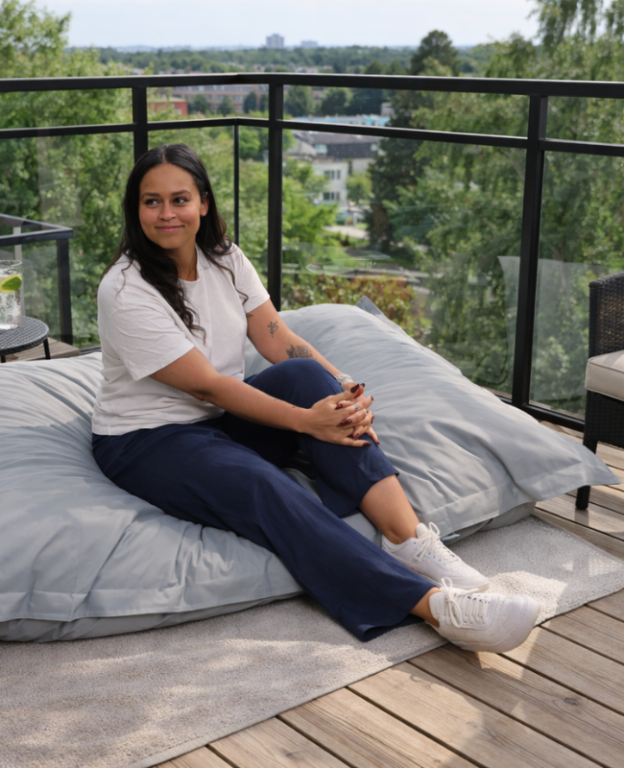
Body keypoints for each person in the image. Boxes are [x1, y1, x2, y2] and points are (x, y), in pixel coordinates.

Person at [92, 143, 540, 653]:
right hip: (146, 442)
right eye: (152, 202)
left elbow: (276, 335)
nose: (166, 213)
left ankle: (410, 539)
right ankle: (436, 607)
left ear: (204, 204)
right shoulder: (125, 289)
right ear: (136, 210)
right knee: (264, 486)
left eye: (179, 199)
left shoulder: (224, 259)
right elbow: (206, 385)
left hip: (219, 423)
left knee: (305, 373)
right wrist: (308, 423)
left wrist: (342, 388)